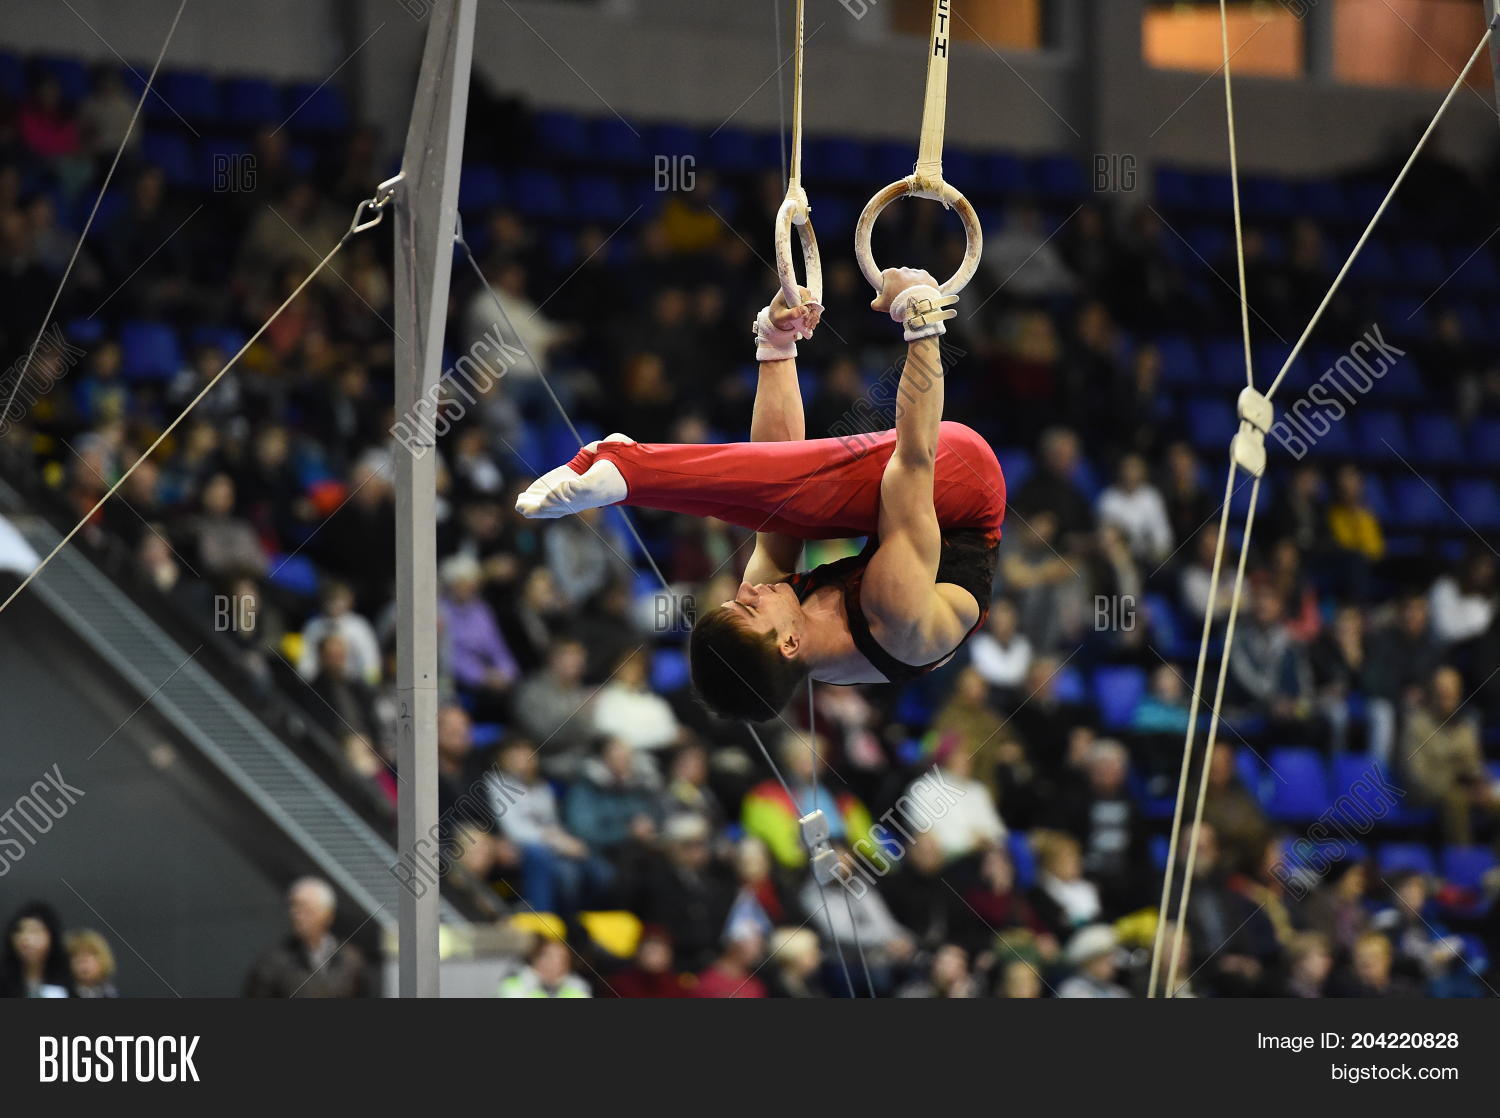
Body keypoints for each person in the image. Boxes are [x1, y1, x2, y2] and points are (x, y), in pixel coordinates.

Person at [518, 270, 1006, 720]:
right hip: (964, 483)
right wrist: (921, 321)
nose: (746, 590)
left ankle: (631, 474)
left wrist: (776, 347)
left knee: (776, 511)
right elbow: (914, 460)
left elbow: (776, 473)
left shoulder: (783, 616)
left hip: (897, 506)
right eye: (749, 608)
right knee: (807, 496)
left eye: (737, 601)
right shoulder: (895, 616)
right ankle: (630, 472)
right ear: (790, 644)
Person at [243, 878, 370, 998]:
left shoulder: (351, 960)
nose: (296, 915)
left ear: (327, 915)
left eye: (306, 909)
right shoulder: (273, 963)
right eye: (294, 908)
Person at [0, 903, 72, 998]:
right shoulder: (4, 977)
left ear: (52, 936)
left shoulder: (69, 976)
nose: (25, 938)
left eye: (35, 931)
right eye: (19, 931)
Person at [498, 937, 591, 999]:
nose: (554, 963)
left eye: (561, 958)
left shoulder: (577, 987)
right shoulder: (514, 984)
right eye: (548, 956)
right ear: (536, 959)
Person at [66, 930, 119, 998]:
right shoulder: (60, 993)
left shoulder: (111, 993)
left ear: (103, 958)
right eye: (75, 954)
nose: (83, 960)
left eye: (90, 953)